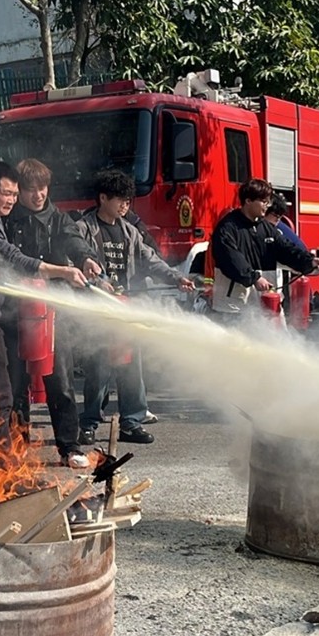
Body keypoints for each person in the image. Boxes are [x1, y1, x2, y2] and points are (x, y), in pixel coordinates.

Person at [0, 161, 90, 449]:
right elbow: (14, 258)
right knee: (2, 392)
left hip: (34, 313)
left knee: (50, 382)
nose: (13, 200)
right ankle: (5, 452)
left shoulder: (47, 218)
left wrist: (84, 259)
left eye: (15, 194)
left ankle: (57, 447)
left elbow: (74, 240)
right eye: (9, 193)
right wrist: (63, 271)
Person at [75, 170, 195, 445]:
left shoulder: (129, 231)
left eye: (128, 201)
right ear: (102, 198)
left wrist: (176, 278)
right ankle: (90, 422)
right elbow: (75, 263)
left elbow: (151, 260)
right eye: (120, 199)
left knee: (131, 366)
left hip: (125, 309)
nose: (125, 205)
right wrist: (99, 284)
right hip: (98, 310)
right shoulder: (83, 228)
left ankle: (132, 422)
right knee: (98, 368)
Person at [6, 158, 104, 467]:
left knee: (59, 379)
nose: (38, 195)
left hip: (52, 312)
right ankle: (18, 446)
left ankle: (69, 446)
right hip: (15, 309)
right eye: (30, 189)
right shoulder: (8, 220)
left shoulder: (59, 219)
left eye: (43, 188)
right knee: (16, 382)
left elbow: (75, 241)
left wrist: (86, 258)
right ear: (19, 191)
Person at [209, 178, 319, 317]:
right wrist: (254, 278)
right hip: (233, 307)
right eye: (263, 201)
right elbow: (230, 259)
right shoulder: (227, 228)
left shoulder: (266, 228)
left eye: (268, 202)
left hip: (263, 305)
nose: (267, 206)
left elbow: (286, 249)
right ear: (248, 201)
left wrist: (310, 260)